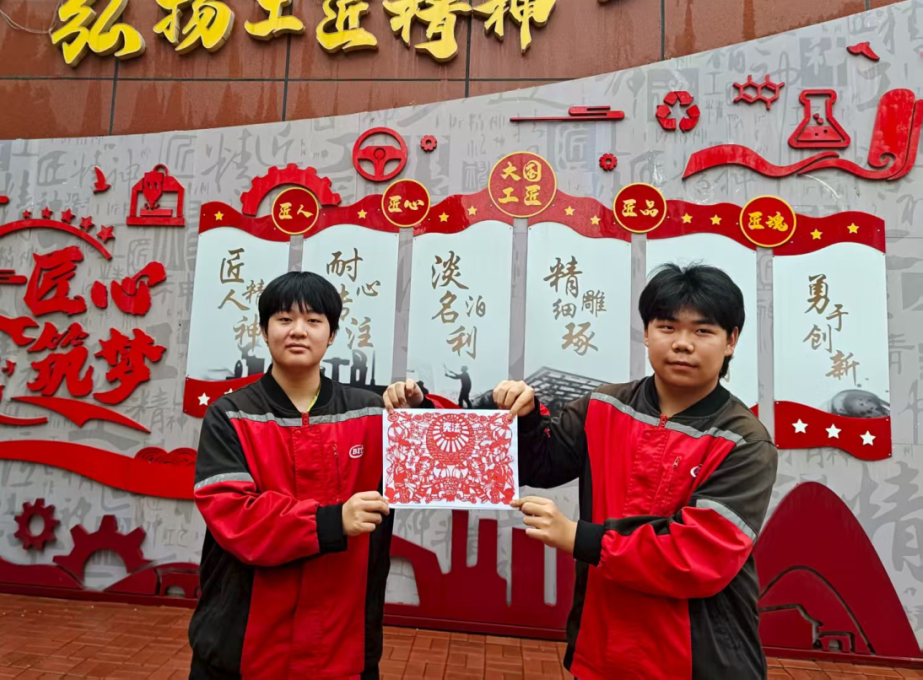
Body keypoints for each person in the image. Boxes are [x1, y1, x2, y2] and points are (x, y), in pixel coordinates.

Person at [499, 264, 777, 680]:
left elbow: (697, 556)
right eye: (667, 327)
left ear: (731, 341)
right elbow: (540, 463)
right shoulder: (602, 407)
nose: (682, 343)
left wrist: (578, 537)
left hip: (700, 662)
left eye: (703, 331)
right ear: (646, 333)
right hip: (601, 649)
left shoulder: (744, 441)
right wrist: (523, 418)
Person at [190, 271, 431, 680]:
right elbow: (234, 515)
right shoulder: (230, 415)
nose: (298, 331)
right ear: (263, 331)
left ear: (331, 334)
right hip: (240, 650)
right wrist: (331, 521)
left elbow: (439, 468)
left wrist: (419, 415)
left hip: (345, 648)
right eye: (284, 319)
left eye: (314, 320)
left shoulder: (373, 413)